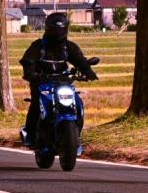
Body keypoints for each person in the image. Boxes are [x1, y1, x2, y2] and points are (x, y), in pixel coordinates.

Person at [19, 11, 98, 145]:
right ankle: (31, 134)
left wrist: (88, 72)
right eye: (54, 29)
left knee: (77, 103)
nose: (57, 32)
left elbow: (80, 60)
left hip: (64, 82)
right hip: (42, 82)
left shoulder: (68, 47)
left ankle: (76, 135)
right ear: (48, 28)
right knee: (37, 105)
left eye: (60, 29)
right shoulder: (38, 46)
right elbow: (28, 60)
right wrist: (31, 73)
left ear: (65, 29)